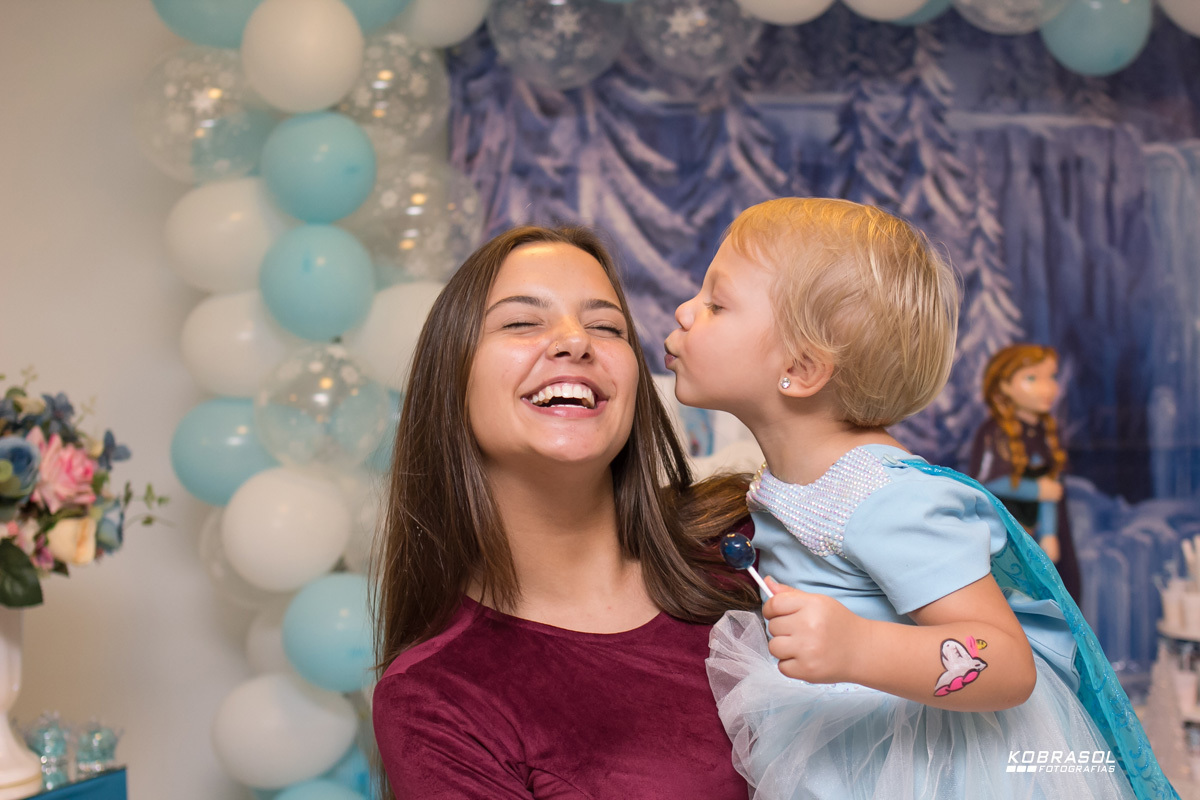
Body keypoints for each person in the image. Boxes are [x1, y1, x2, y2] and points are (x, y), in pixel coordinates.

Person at [665, 198, 1172, 799]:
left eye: (716, 304)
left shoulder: (884, 498)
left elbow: (1006, 663)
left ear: (801, 369)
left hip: (925, 772)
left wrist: (857, 646)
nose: (684, 311)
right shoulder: (799, 478)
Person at [370, 225, 761, 799]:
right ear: (450, 381)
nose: (576, 341)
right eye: (522, 322)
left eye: (606, 327)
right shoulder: (436, 696)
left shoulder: (748, 536)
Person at [969, 343, 1082, 603]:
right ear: (1004, 386)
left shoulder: (1046, 431)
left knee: (1061, 595)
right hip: (1009, 537)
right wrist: (1035, 490)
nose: (1048, 387)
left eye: (1051, 377)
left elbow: (1052, 490)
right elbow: (985, 482)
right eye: (1032, 378)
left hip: (1048, 535)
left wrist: (1051, 534)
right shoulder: (994, 432)